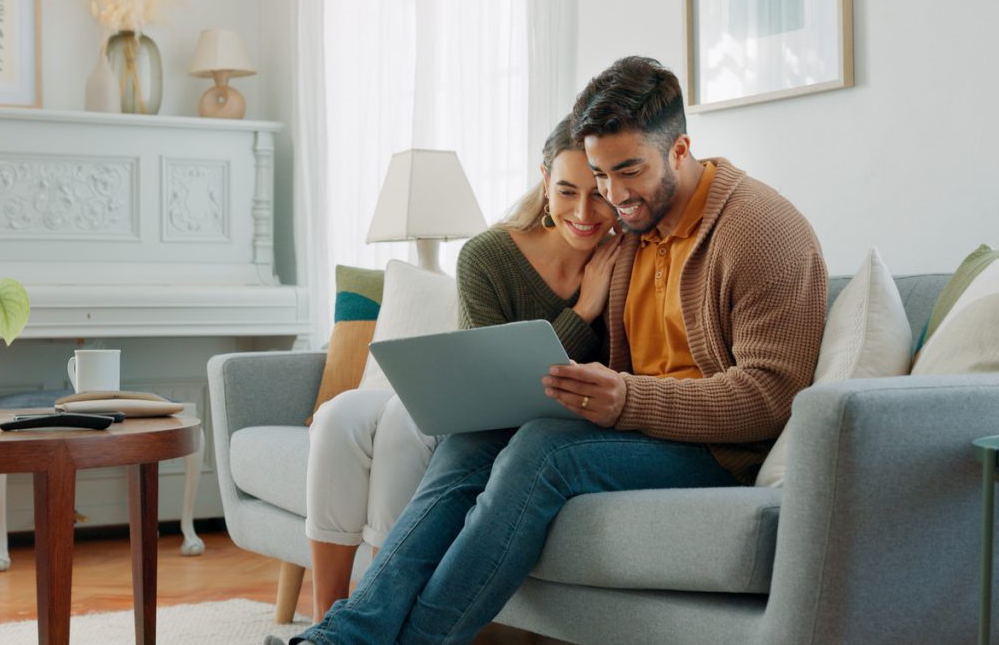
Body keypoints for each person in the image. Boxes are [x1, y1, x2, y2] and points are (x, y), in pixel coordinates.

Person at [271, 56, 827, 645]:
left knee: (544, 450)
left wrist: (627, 399)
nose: (612, 196)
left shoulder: (760, 231)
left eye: (628, 172)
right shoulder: (634, 226)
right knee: (475, 437)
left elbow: (772, 398)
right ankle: (344, 635)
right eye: (599, 174)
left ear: (681, 149)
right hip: (642, 428)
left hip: (719, 449)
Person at [299, 114, 620, 622]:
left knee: (405, 423)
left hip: (523, 422)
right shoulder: (489, 254)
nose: (583, 211)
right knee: (338, 417)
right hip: (475, 404)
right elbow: (486, 380)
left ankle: (382, 615)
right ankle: (327, 617)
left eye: (598, 193)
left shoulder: (625, 260)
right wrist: (582, 313)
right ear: (544, 182)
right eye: (566, 191)